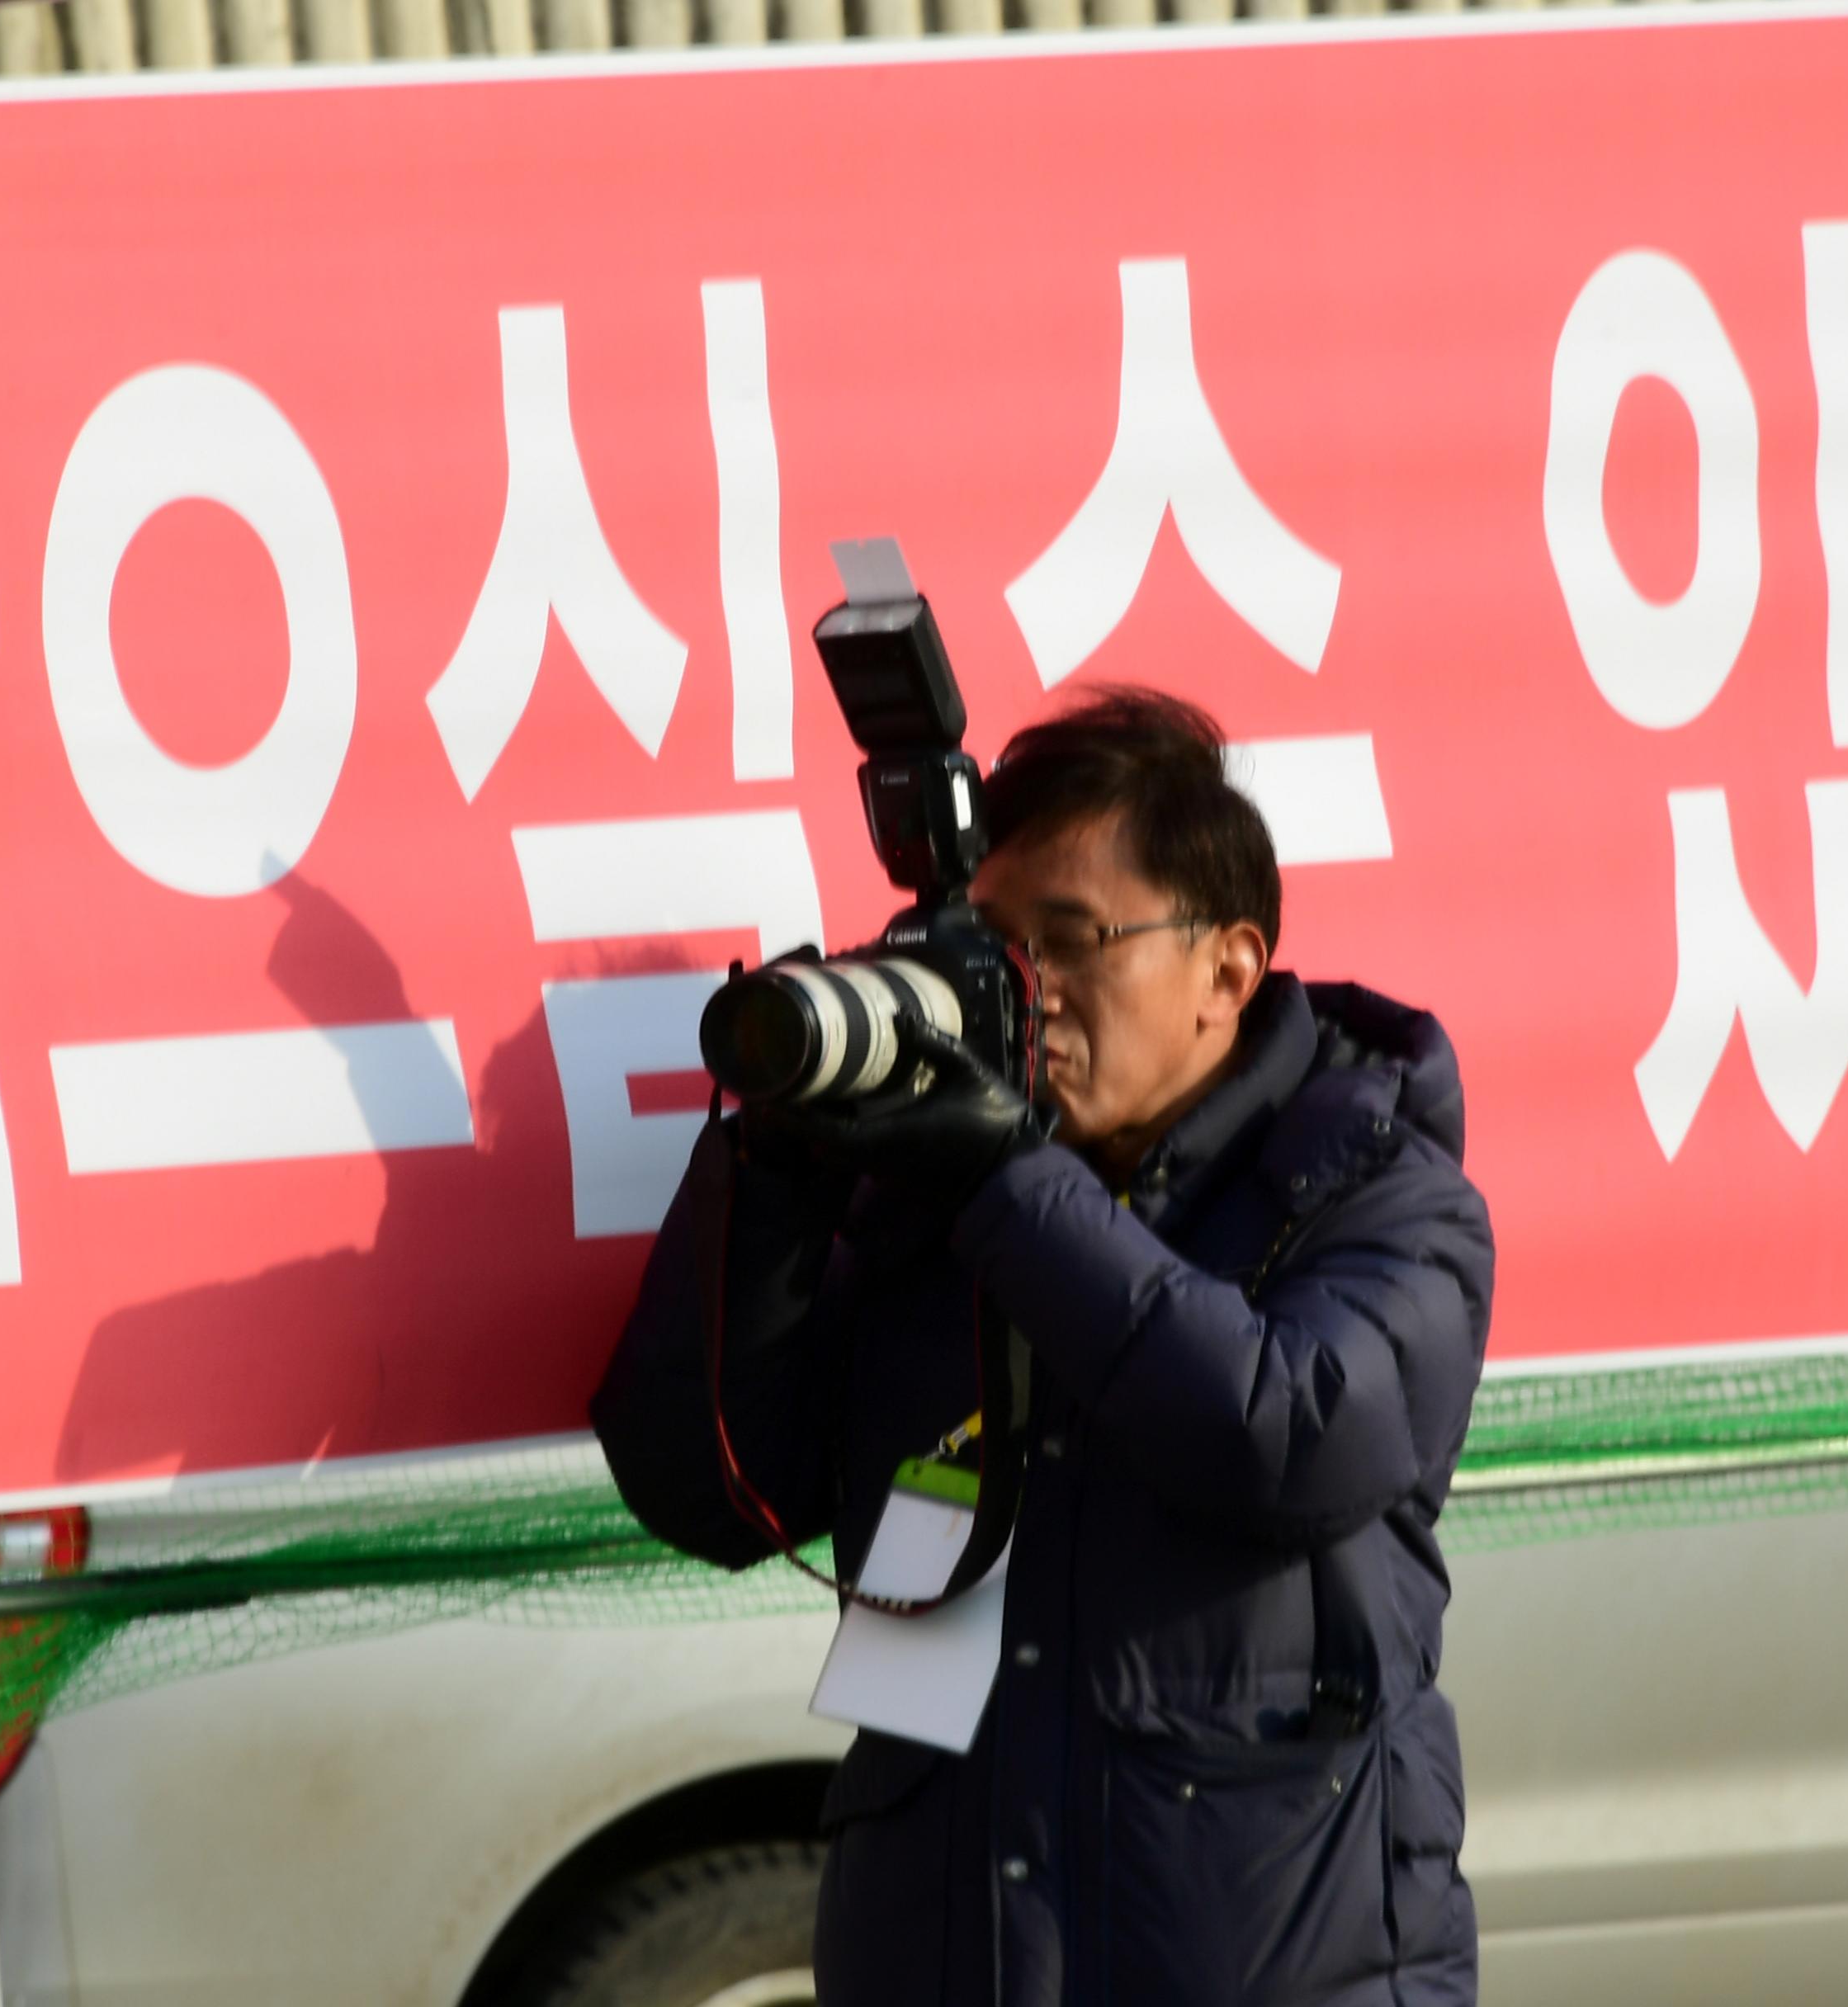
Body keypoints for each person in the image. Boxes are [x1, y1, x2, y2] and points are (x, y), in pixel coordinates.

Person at [591, 686, 1492, 2006]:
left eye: (1074, 943)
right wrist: (775, 1179)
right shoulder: (934, 1201)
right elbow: (715, 1488)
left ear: (1227, 973)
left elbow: (1290, 1439)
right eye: (999, 950)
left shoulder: (1379, 1192)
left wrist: (1011, 1185)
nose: (1030, 996)